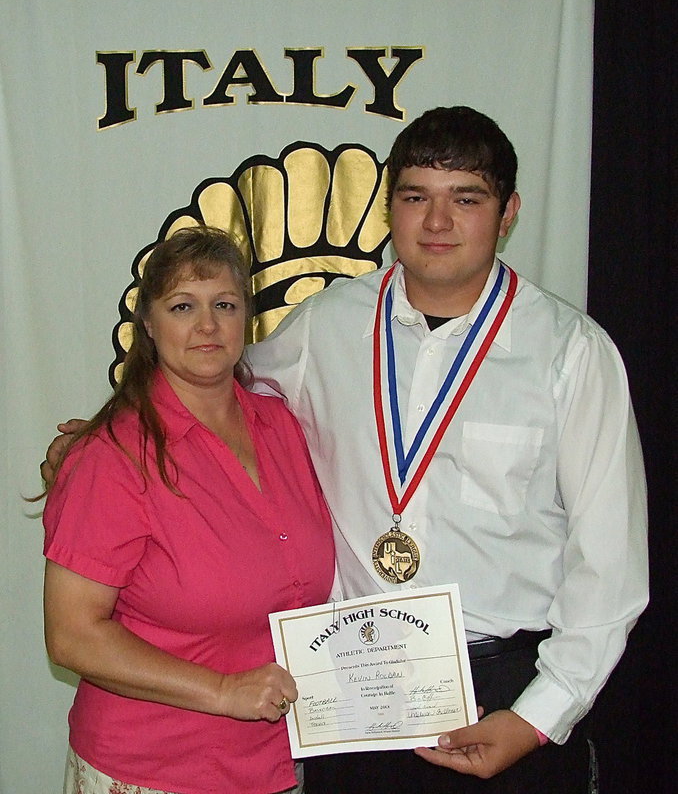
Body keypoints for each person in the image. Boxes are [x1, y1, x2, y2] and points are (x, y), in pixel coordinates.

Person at [44, 106, 648, 793]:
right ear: (391, 208)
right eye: (416, 197)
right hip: (352, 698)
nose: (438, 222)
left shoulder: (572, 355)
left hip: (504, 696)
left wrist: (539, 716)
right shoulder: (325, 328)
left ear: (508, 213)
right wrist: (91, 445)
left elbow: (611, 571)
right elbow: (210, 379)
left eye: (466, 200)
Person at [42, 225, 335, 794]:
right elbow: (72, 635)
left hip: (279, 764)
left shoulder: (282, 426)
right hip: (155, 771)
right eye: (183, 306)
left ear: (247, 319)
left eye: (224, 305)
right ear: (149, 326)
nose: (207, 325)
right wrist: (223, 691)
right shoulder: (114, 455)